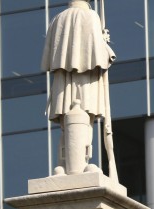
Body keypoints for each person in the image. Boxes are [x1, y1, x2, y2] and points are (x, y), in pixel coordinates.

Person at [41, 0, 117, 178]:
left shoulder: (57, 19)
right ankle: (80, 165)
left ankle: (63, 165)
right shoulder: (90, 16)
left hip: (63, 80)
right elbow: (99, 55)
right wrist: (104, 42)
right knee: (85, 118)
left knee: (65, 121)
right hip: (85, 77)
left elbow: (51, 56)